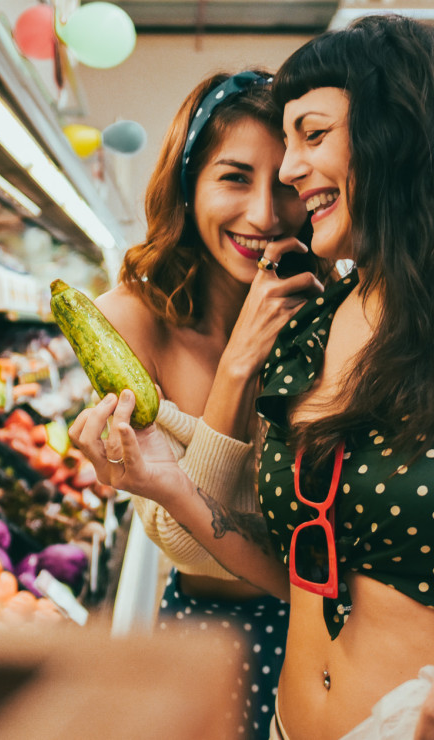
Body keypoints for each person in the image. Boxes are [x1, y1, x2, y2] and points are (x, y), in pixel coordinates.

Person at [72, 16, 434, 740]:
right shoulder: (307, 326)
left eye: (310, 136)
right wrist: (169, 484)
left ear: (401, 133)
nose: (286, 171)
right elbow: (302, 574)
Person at [89, 69, 331, 740]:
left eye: (285, 185)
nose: (263, 215)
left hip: (330, 643)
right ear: (188, 183)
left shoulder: (336, 316)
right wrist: (238, 366)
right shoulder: (126, 323)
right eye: (232, 178)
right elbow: (186, 545)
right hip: (209, 633)